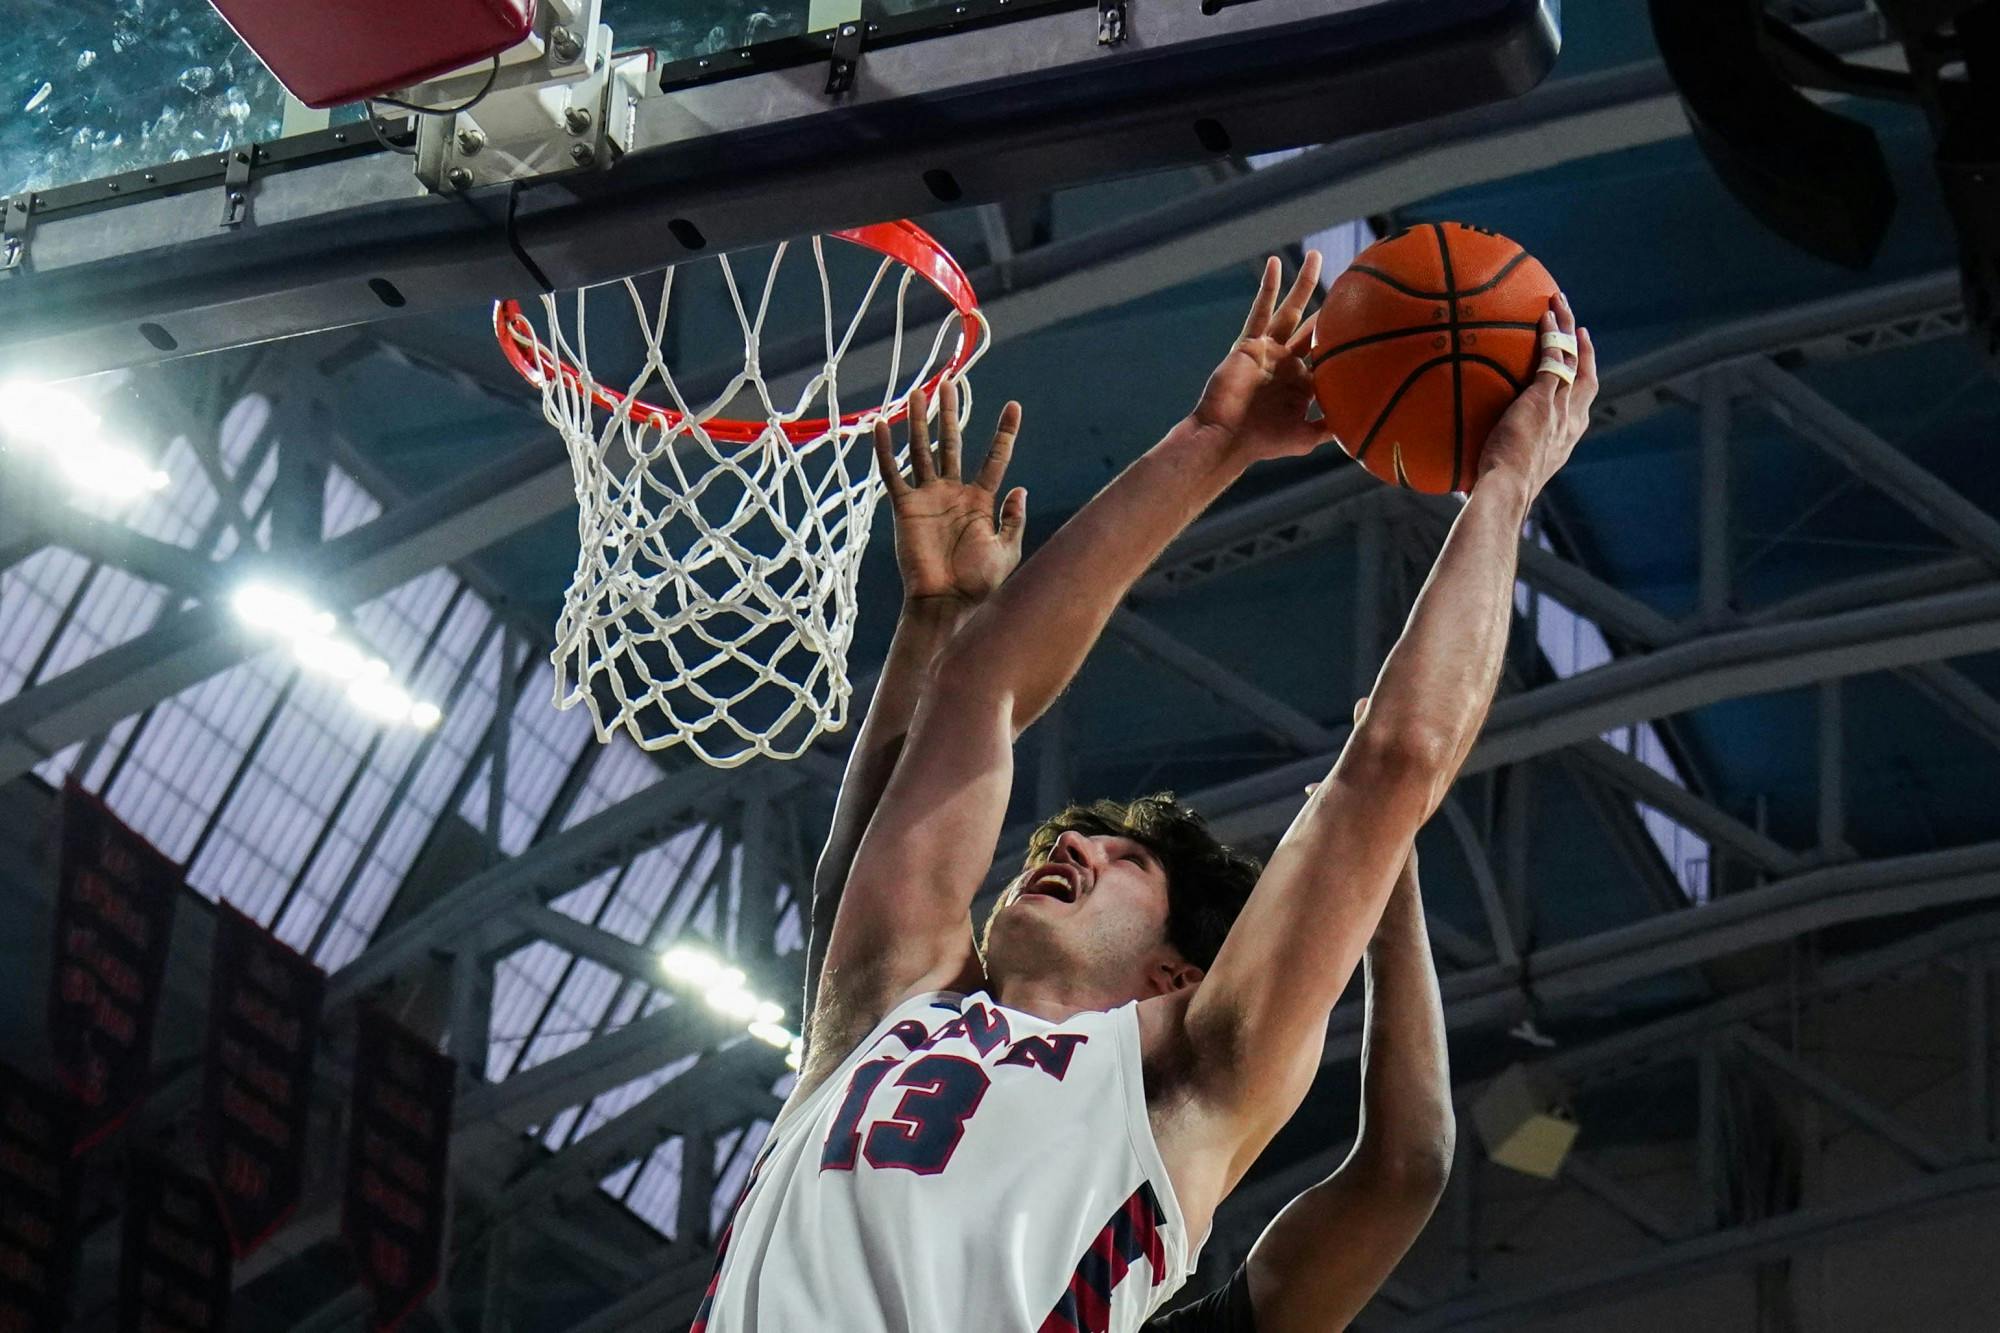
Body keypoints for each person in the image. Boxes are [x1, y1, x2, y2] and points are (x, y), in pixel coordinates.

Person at [693, 251, 1593, 1332]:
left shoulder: (1186, 1085)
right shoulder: (891, 1007)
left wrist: (1505, 486)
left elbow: (1393, 764)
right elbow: (978, 688)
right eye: (1069, 844)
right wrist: (1213, 442)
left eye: (1123, 860)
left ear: (1175, 973)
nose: (1064, 848)